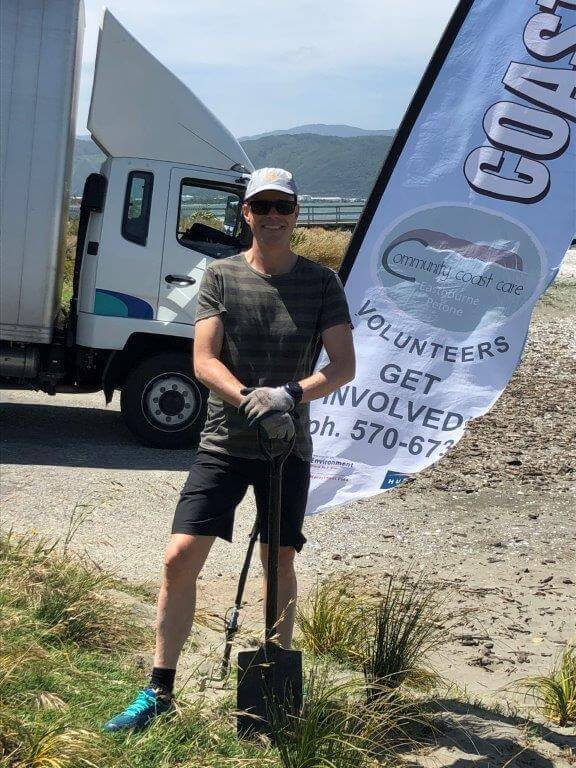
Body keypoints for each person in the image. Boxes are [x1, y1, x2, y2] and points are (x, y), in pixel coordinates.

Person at [103, 168, 355, 732]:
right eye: (260, 206)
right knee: (178, 558)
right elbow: (203, 360)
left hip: (286, 448)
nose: (271, 216)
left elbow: (343, 366)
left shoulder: (322, 283)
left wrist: (286, 395)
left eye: (281, 207)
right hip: (223, 442)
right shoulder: (219, 275)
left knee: (278, 559)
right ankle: (158, 690)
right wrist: (249, 398)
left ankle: (274, 685)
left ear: (295, 213)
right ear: (245, 213)